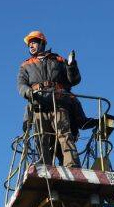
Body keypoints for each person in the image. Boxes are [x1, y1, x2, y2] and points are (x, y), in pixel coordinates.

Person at [17, 31, 85, 167]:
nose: (31, 46)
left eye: (34, 42)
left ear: (42, 43)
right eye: (29, 44)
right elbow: (21, 85)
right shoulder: (25, 65)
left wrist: (71, 65)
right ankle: (44, 164)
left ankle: (71, 164)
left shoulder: (58, 60)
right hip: (39, 104)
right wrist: (29, 92)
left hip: (58, 101)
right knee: (41, 136)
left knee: (64, 134)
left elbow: (74, 80)